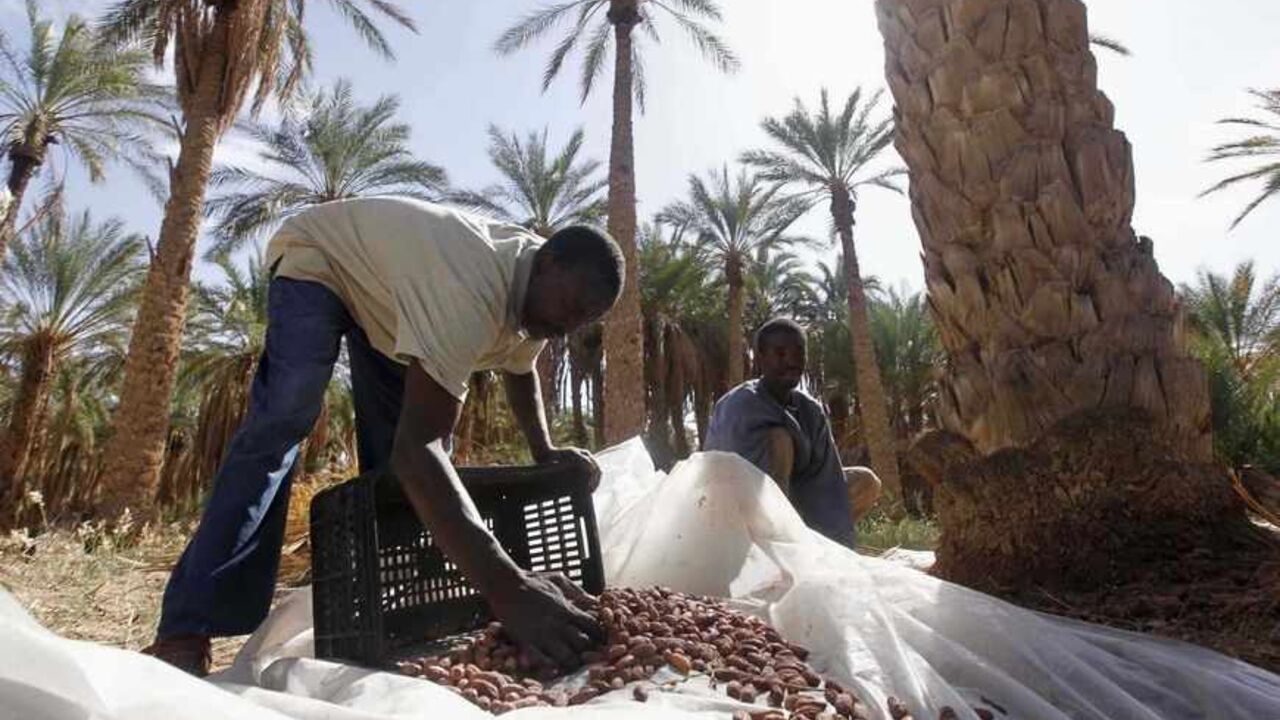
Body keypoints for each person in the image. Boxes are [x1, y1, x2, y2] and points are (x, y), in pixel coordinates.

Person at [144, 197, 622, 676]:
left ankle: (383, 616)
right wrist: (509, 588)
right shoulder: (470, 285)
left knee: (395, 482)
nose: (565, 329)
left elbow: (521, 370)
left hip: (388, 306)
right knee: (286, 417)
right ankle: (187, 627)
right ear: (549, 262)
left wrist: (545, 450)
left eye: (581, 322)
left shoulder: (542, 296)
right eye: (570, 309)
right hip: (322, 261)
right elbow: (421, 451)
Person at [704, 318, 882, 547]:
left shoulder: (809, 409)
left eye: (798, 353)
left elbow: (827, 476)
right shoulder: (740, 405)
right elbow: (731, 479)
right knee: (779, 440)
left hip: (798, 502)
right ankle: (775, 551)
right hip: (737, 512)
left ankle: (815, 547)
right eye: (780, 353)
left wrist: (837, 539)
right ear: (760, 358)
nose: (791, 361)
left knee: (866, 482)